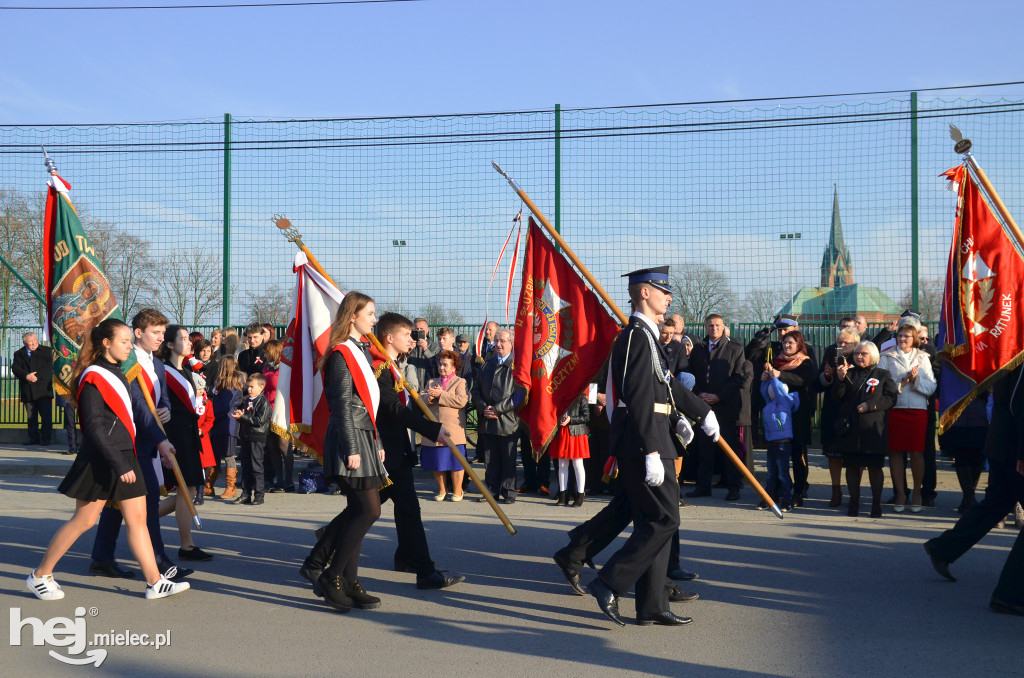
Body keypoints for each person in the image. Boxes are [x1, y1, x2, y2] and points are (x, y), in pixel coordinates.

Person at [25, 318, 189, 601]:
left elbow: (135, 414)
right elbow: (96, 428)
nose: (129, 347)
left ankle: (154, 581)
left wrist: (160, 443)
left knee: (138, 520)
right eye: (124, 342)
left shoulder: (117, 372)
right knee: (84, 520)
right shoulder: (93, 377)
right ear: (106, 343)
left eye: (129, 341)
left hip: (126, 455)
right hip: (102, 460)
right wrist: (119, 464)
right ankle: (40, 575)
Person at [585, 266, 700, 627]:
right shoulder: (636, 336)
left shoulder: (648, 336)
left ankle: (652, 604)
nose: (669, 297)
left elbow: (661, 389)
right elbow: (635, 396)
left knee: (656, 521)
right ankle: (608, 581)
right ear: (644, 293)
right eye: (662, 291)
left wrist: (692, 414)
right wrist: (651, 450)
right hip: (645, 441)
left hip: (656, 435)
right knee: (666, 519)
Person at [301, 292, 389, 612]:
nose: (374, 319)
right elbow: (341, 406)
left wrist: (376, 443)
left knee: (357, 511)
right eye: (370, 313)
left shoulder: (359, 351)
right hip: (349, 439)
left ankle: (349, 581)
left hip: (364, 436)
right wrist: (353, 448)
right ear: (353, 316)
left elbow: (367, 404)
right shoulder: (341, 354)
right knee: (369, 510)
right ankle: (332, 576)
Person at [89, 308, 192, 582]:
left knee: (117, 504)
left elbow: (162, 400)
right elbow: (136, 405)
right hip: (131, 443)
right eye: (155, 333)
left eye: (162, 333)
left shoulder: (157, 363)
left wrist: (166, 410)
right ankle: (159, 562)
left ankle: (102, 557)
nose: (161, 338)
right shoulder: (128, 361)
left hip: (149, 441)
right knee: (145, 503)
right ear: (138, 333)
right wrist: (160, 439)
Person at [366, 313, 465, 589]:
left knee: (403, 509)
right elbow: (394, 411)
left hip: (397, 449)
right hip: (387, 450)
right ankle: (322, 554)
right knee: (368, 511)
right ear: (389, 338)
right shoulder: (379, 367)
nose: (413, 339)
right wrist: (432, 430)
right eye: (407, 335)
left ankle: (412, 560)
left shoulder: (392, 365)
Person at [923, 365, 1024, 617]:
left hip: (1004, 444)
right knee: (996, 503)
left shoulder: (1014, 354)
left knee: (996, 503)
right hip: (1014, 449)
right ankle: (1010, 595)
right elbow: (1019, 406)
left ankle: (945, 548)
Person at [159, 325, 213, 562]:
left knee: (188, 489)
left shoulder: (185, 370)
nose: (189, 341)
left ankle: (140, 517)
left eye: (188, 337)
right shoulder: (163, 370)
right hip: (176, 435)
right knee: (186, 488)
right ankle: (186, 546)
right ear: (169, 344)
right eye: (182, 338)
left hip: (189, 434)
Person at [831, 341, 898, 518]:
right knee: (852, 467)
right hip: (851, 430)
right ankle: (854, 502)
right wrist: (839, 380)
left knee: (875, 468)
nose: (859, 356)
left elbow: (891, 398)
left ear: (873, 355)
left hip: (873, 430)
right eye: (857, 353)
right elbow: (837, 397)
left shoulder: (883, 374)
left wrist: (871, 405)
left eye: (864, 354)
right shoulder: (848, 373)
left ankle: (876, 504)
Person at [878, 320, 936, 513]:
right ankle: (901, 493)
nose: (902, 339)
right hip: (895, 409)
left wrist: (916, 380)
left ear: (915, 339)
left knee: (917, 452)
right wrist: (903, 381)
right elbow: (881, 385)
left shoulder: (923, 357)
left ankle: (917, 493)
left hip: (917, 410)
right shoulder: (886, 356)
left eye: (907, 336)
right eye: (900, 335)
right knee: (895, 452)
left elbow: (931, 386)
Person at [687, 313, 746, 501]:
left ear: (723, 327)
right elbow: (690, 375)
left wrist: (719, 396)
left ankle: (733, 487)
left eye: (718, 325)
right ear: (706, 327)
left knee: (729, 449)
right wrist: (699, 393)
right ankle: (703, 486)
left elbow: (738, 377)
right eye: (711, 326)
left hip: (726, 406)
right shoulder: (698, 349)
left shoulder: (735, 349)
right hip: (703, 406)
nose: (714, 329)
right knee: (704, 449)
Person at [764, 330, 816, 506]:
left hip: (799, 415)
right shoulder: (777, 361)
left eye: (791, 343)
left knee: (798, 455)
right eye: (785, 343)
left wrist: (781, 375)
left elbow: (802, 380)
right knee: (779, 455)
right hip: (780, 415)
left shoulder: (805, 362)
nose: (787, 346)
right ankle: (779, 491)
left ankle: (799, 491)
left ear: (799, 345)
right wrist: (766, 377)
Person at [471, 329, 523, 504]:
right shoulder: (487, 363)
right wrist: (484, 407)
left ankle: (509, 492)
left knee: (508, 458)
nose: (498, 344)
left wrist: (498, 409)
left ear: (511, 343)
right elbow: (475, 389)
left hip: (507, 421)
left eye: (503, 341)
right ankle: (491, 491)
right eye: (497, 340)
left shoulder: (517, 365)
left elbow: (520, 393)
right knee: (490, 458)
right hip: (487, 420)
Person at [815, 327, 861, 507]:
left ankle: (854, 494)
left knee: (853, 457)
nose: (841, 346)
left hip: (853, 411)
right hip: (832, 411)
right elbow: (816, 385)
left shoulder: (861, 357)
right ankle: (836, 491)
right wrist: (827, 375)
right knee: (833, 455)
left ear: (855, 344)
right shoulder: (830, 354)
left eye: (846, 343)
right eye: (839, 342)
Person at [423, 349, 469, 501]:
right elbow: (421, 401)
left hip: (453, 429)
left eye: (445, 365)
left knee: (456, 462)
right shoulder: (431, 382)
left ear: (454, 367)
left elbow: (461, 401)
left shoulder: (460, 382)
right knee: (438, 463)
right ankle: (441, 490)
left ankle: (457, 491)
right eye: (440, 365)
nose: (441, 368)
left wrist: (441, 394)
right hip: (434, 429)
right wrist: (429, 398)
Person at [940, 395, 990, 513]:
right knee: (961, 456)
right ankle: (970, 498)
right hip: (958, 411)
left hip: (980, 411)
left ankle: (968, 498)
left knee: (977, 457)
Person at [759, 374, 799, 512]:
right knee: (771, 474)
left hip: (783, 444)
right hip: (772, 444)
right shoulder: (769, 404)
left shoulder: (785, 402)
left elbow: (778, 391)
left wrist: (773, 378)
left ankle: (787, 500)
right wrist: (765, 380)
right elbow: (764, 391)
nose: (771, 394)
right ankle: (768, 499)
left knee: (783, 474)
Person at [230, 373, 272, 505]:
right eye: (247, 386)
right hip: (247, 437)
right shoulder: (248, 401)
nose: (248, 389)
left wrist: (243, 418)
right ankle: (246, 493)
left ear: (261, 387)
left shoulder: (263, 402)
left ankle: (259, 495)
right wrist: (240, 415)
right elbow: (247, 417)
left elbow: (259, 421)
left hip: (257, 438)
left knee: (256, 466)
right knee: (246, 466)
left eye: (251, 387)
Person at [262, 339, 294, 492]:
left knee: (284, 447)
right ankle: (279, 480)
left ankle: (289, 480)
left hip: (280, 411)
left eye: (266, 351)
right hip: (267, 411)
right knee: (272, 448)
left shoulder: (285, 369)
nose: (264, 354)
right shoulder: (266, 368)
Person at [12, 332, 55, 445]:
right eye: (30, 342)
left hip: (43, 390)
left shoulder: (46, 351)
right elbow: (15, 368)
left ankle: (46, 439)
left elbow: (49, 367)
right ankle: (33, 438)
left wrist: (35, 377)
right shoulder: (19, 354)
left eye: (35, 340)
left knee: (46, 416)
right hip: (28, 390)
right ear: (25, 343)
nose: (34, 343)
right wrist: (26, 376)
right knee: (31, 417)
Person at [210, 356, 243, 499]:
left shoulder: (234, 382)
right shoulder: (221, 382)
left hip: (228, 423)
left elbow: (225, 405)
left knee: (229, 455)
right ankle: (208, 485)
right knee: (215, 454)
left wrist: (212, 414)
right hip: (219, 422)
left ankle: (231, 487)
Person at [550, 392, 590, 507]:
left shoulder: (581, 397)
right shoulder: (558, 395)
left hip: (576, 433)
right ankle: (562, 494)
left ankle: (580, 495)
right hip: (562, 433)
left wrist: (571, 419)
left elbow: (586, 417)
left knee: (578, 463)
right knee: (562, 464)